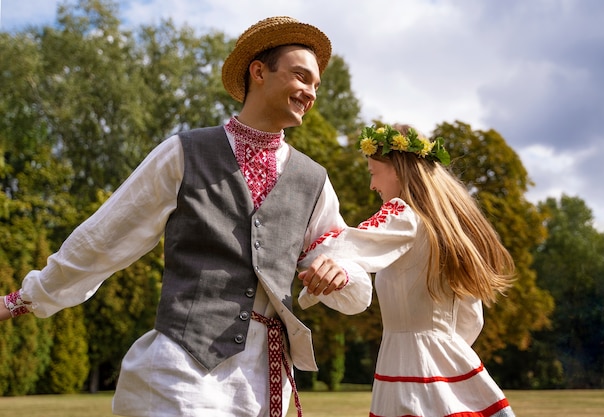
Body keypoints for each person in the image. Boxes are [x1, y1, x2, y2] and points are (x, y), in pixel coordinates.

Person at [0, 16, 372, 417]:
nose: (311, 92)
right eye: (302, 77)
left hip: (264, 384)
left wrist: (341, 273)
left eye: (317, 85)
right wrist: (24, 299)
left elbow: (352, 282)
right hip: (182, 374)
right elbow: (104, 238)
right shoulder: (183, 152)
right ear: (259, 71)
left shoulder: (313, 180)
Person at [297, 124, 517, 416]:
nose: (372, 185)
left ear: (398, 171)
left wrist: (291, 246)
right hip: (452, 361)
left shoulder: (402, 214)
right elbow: (471, 319)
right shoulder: (444, 231)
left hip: (411, 366)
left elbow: (353, 245)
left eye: (373, 173)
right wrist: (446, 353)